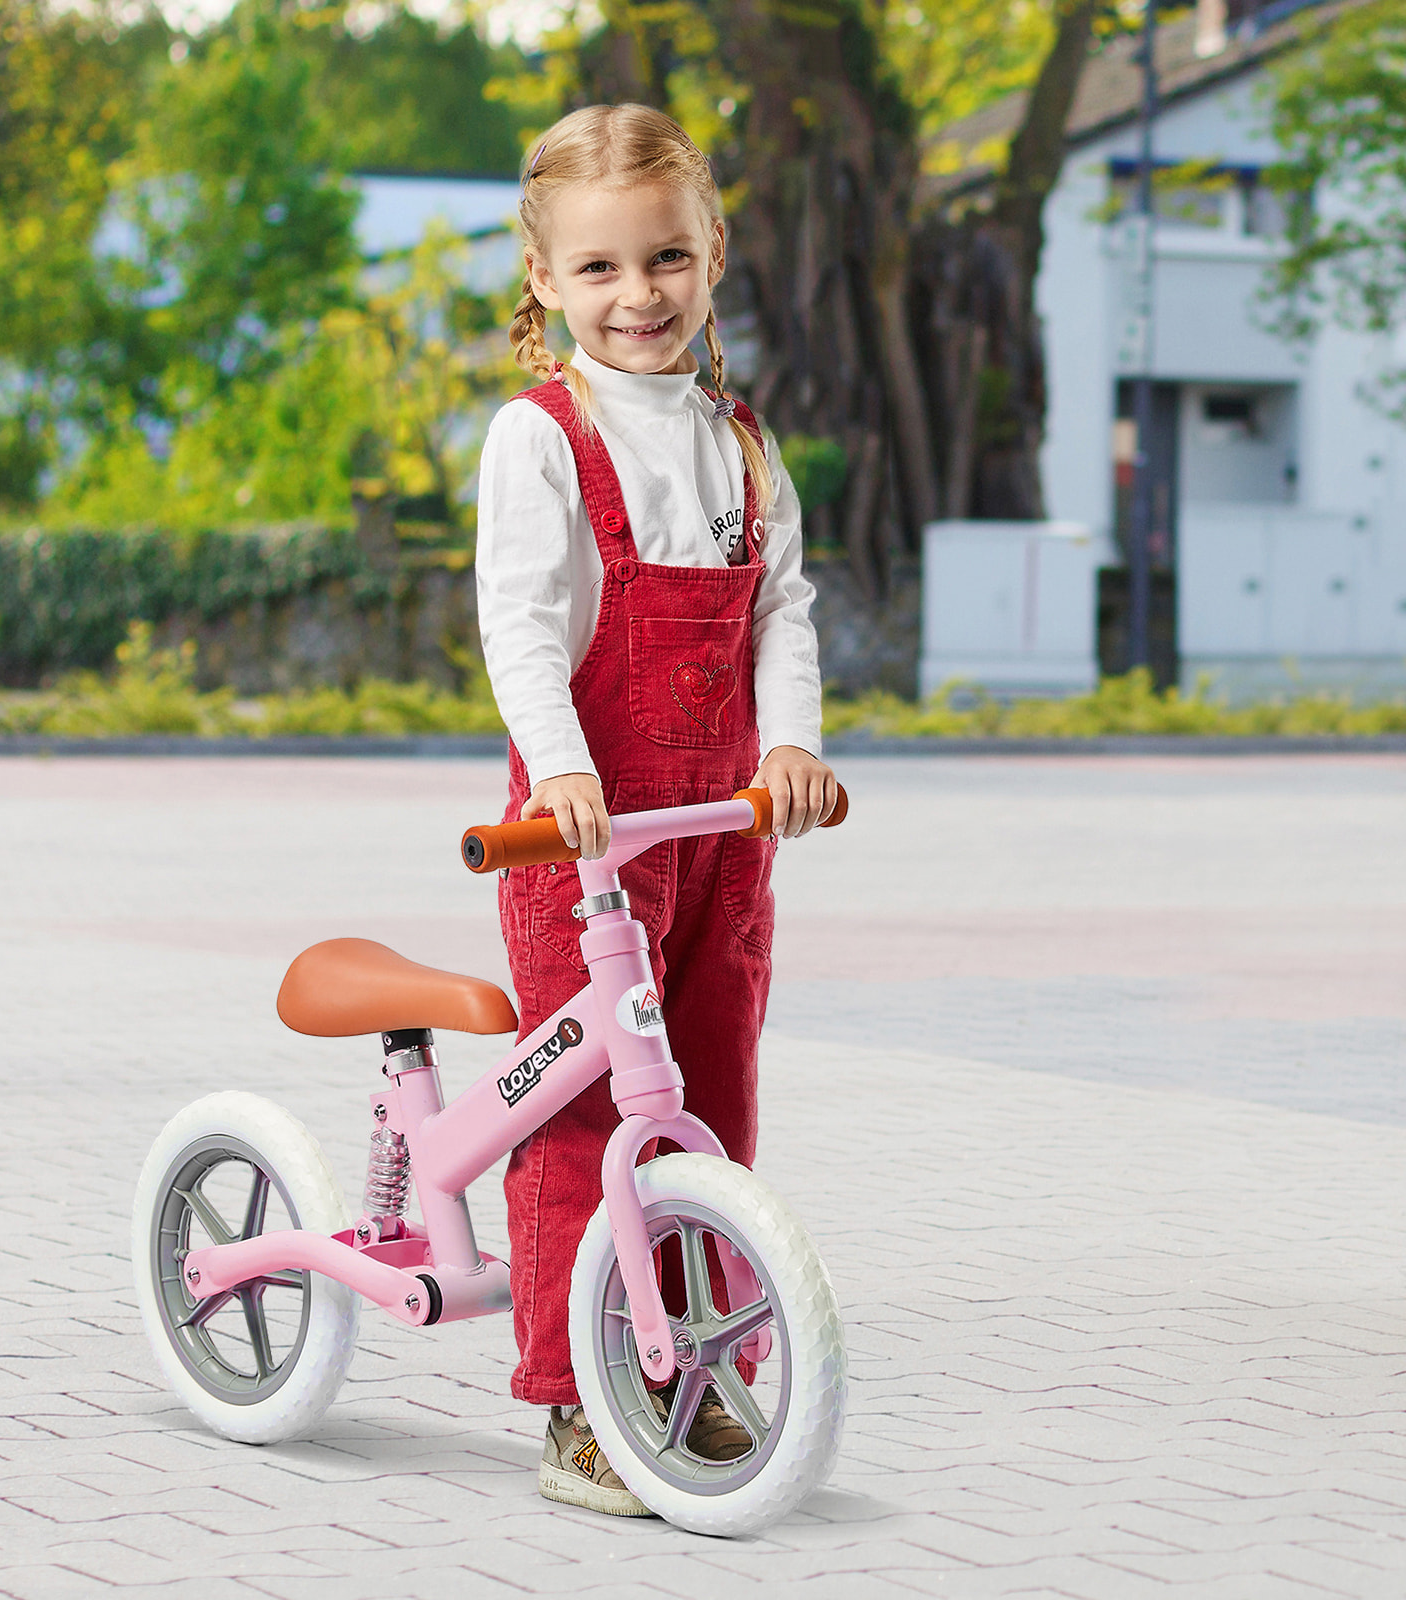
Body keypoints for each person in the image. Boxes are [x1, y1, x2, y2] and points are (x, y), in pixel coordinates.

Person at [475, 102, 838, 1518]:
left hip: (719, 841)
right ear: (546, 275)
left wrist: (792, 745)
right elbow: (519, 623)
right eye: (604, 269)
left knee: (709, 1098)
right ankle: (577, 1397)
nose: (640, 297)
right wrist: (560, 765)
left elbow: (783, 614)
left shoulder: (740, 441)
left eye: (667, 260)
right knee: (583, 1110)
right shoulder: (542, 438)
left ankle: (693, 1347)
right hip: (582, 842)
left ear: (715, 256)